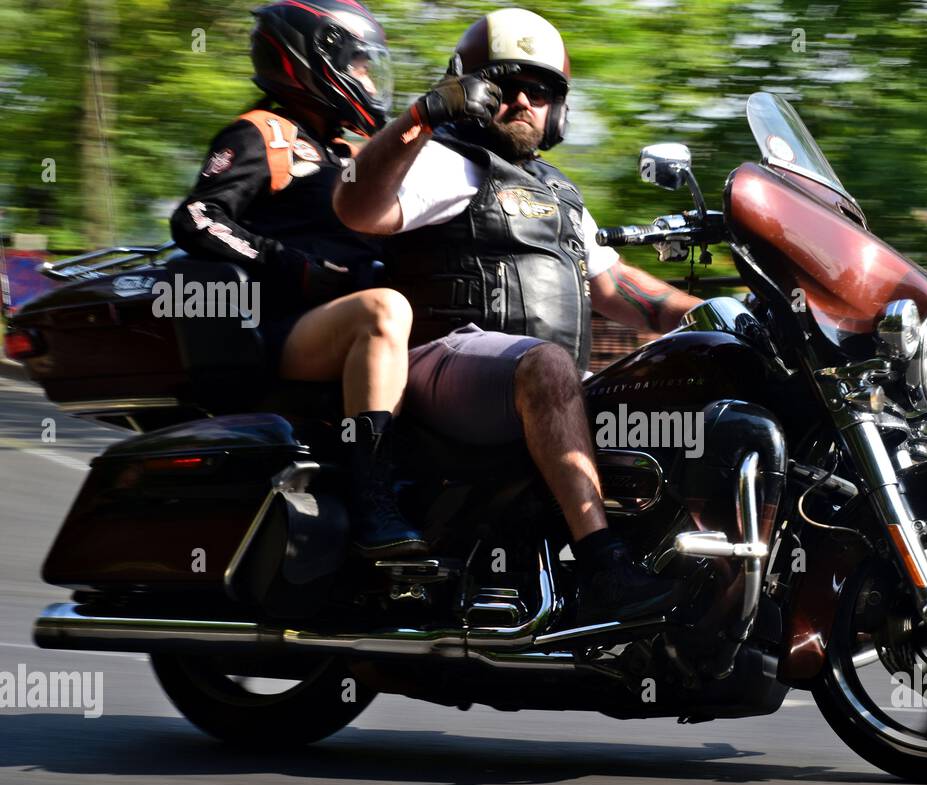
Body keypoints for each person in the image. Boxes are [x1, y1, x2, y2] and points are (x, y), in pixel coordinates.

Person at [335, 8, 703, 622]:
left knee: (665, 390)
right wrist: (423, 115)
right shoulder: (442, 161)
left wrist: (718, 313)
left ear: (558, 108)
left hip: (529, 379)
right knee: (549, 366)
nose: (523, 101)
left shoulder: (560, 191)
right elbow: (357, 206)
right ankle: (605, 566)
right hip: (443, 361)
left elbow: (615, 288)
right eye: (505, 87)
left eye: (541, 91)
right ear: (473, 92)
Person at [170, 0, 426, 558]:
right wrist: (292, 266)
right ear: (308, 59)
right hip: (282, 325)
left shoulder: (345, 150)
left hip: (337, 321)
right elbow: (197, 217)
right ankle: (373, 498)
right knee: (383, 310)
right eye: (356, 63)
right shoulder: (264, 134)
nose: (365, 76)